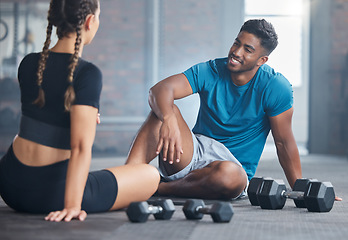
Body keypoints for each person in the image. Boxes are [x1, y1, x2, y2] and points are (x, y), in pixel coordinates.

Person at [0, 0, 160, 222]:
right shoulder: (87, 73)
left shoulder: (28, 63)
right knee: (150, 175)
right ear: (89, 21)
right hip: (50, 196)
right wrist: (72, 206)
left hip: (9, 184)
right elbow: (81, 147)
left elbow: (40, 121)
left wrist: (78, 119)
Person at [126, 19, 301, 200]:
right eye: (236, 43)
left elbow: (283, 143)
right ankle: (126, 179)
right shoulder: (212, 70)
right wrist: (169, 118)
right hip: (193, 153)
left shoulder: (276, 87)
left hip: (231, 168)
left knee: (230, 176)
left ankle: (160, 188)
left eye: (247, 50)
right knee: (162, 111)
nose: (236, 52)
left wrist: (301, 189)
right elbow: (160, 90)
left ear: (262, 60)